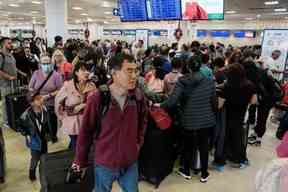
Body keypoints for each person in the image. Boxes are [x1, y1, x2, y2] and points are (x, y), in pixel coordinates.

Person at [73, 53, 147, 192]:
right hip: (104, 163)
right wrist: (80, 161)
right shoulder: (98, 99)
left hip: (130, 162)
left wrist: (136, 145)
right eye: (129, 71)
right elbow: (86, 132)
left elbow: (143, 123)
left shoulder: (138, 97)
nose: (134, 76)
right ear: (114, 73)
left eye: (136, 70)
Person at [156, 53, 217, 183]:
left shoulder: (183, 81)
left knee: (188, 146)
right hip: (206, 119)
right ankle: (204, 173)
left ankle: (186, 171)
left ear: (188, 67)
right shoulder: (209, 80)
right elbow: (214, 102)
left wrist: (159, 105)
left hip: (189, 119)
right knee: (203, 146)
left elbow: (172, 101)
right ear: (200, 66)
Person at [218, 64, 257, 168]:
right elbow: (254, 101)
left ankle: (222, 160)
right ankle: (239, 159)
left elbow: (220, 104)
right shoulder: (250, 85)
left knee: (225, 136)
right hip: (242, 114)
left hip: (228, 114)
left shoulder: (227, 86)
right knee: (238, 137)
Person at [55, 61, 96, 150]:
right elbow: (57, 103)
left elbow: (96, 104)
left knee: (84, 144)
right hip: (72, 123)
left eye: (88, 70)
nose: (86, 72)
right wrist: (62, 118)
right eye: (83, 70)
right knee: (76, 145)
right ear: (76, 72)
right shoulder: (67, 86)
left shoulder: (92, 86)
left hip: (87, 122)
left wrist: (84, 105)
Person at [17, 92, 53, 181]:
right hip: (34, 140)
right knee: (35, 159)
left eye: (41, 98)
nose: (41, 100)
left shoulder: (45, 110)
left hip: (43, 138)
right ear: (31, 103)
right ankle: (32, 174)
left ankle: (44, 173)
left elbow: (47, 124)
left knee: (44, 157)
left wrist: (49, 134)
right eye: (38, 99)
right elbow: (19, 125)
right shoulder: (26, 114)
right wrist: (27, 134)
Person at [29, 55, 63, 142]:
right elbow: (30, 87)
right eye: (44, 63)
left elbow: (60, 90)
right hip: (38, 102)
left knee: (51, 121)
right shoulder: (36, 73)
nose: (46, 65)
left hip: (51, 102)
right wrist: (37, 97)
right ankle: (44, 135)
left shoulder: (56, 75)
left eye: (48, 63)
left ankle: (53, 136)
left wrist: (48, 96)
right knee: (40, 120)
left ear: (51, 64)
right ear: (40, 64)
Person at [0, 37, 17, 129]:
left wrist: (21, 73)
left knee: (12, 102)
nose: (11, 45)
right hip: (5, 84)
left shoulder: (10, 55)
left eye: (11, 43)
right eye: (9, 43)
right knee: (5, 102)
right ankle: (6, 121)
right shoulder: (1, 55)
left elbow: (14, 67)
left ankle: (12, 118)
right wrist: (9, 77)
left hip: (14, 83)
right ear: (3, 45)